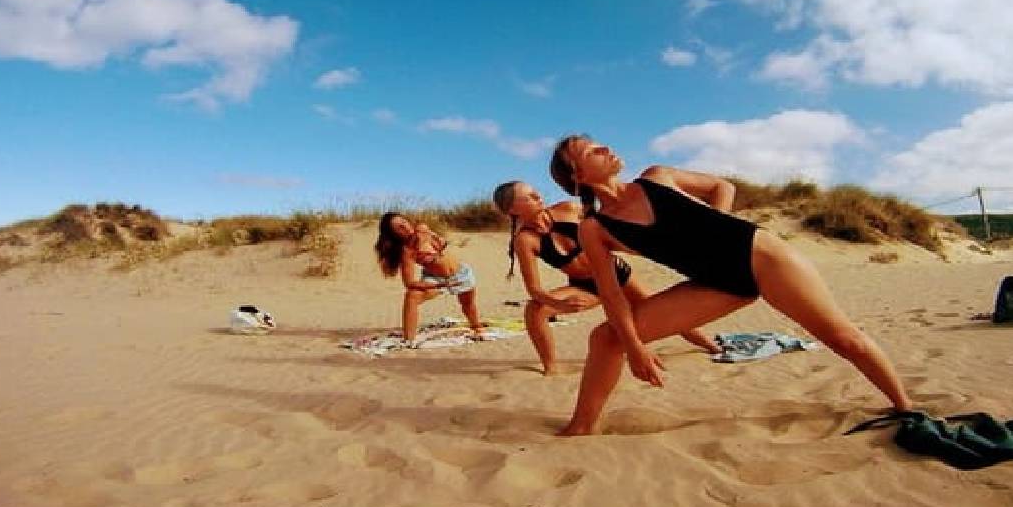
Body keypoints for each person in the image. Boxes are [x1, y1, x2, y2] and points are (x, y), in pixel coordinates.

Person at [548, 134, 914, 436]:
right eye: (591, 150)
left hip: (762, 258)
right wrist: (636, 348)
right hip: (716, 283)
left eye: (601, 143)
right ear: (577, 175)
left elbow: (722, 186)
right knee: (606, 338)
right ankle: (580, 427)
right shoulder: (595, 228)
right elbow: (611, 294)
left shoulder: (657, 177)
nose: (606, 148)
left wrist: (718, 224)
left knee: (842, 339)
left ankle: (906, 407)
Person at [491, 181, 719, 374]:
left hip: (616, 274)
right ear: (513, 209)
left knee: (660, 310)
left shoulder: (569, 209)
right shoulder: (525, 241)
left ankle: (710, 345)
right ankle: (551, 368)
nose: (537, 195)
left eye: (534, 192)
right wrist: (557, 303)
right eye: (529, 196)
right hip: (586, 287)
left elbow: (611, 223)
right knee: (535, 310)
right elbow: (534, 289)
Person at [374, 212, 483, 344]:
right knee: (412, 296)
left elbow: (434, 236)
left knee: (468, 305)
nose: (405, 226)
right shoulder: (407, 251)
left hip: (461, 273)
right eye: (398, 227)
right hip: (436, 278)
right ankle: (409, 340)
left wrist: (434, 238)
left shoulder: (422, 229)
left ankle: (477, 327)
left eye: (403, 221)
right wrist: (438, 286)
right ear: (395, 235)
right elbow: (409, 283)